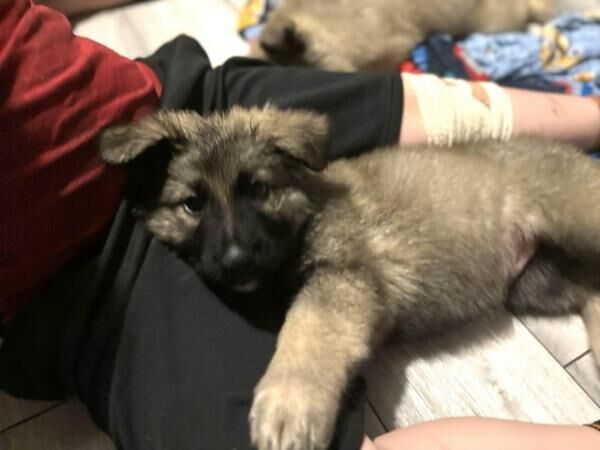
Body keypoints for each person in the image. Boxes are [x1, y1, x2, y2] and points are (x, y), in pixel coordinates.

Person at [1, 1, 599, 449]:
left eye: (258, 192)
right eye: (193, 206)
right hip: (59, 288)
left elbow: (343, 281)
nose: (232, 246)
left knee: (419, 109)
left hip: (515, 186)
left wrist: (303, 370)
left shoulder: (303, 187)